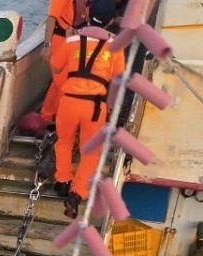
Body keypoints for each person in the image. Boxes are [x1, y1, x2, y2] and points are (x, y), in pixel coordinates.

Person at [50, 0, 126, 218]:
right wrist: (110, 110)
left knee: (63, 141)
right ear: (112, 21)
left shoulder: (72, 39)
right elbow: (118, 81)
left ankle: (62, 181)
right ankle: (77, 193)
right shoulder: (116, 46)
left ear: (87, 13)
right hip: (94, 106)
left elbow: (55, 65)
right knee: (90, 152)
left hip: (68, 102)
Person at [39, 0, 89, 124]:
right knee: (61, 82)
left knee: (60, 83)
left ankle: (47, 116)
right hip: (60, 40)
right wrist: (47, 45)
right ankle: (54, 118)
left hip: (75, 39)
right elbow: (51, 17)